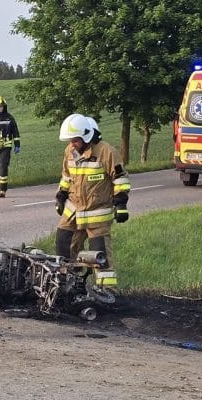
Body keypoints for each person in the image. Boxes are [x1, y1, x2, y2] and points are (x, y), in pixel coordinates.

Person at [54, 113, 130, 289]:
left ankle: (107, 291)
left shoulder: (107, 152)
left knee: (99, 254)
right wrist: (61, 195)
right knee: (63, 245)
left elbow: (120, 179)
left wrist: (121, 204)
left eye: (75, 140)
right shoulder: (69, 152)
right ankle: (69, 285)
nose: (72, 144)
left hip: (97, 213)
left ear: (87, 136)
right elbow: (66, 176)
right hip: (73, 210)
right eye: (70, 140)